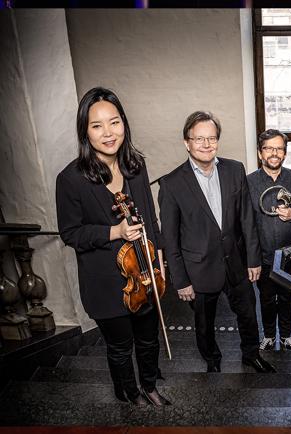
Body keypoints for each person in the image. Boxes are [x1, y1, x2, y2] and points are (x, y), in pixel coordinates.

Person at [56, 87, 171, 406]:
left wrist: (158, 259)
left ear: (124, 124)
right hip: (105, 282)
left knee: (149, 340)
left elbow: (150, 215)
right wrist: (115, 231)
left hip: (144, 273)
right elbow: (70, 233)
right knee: (120, 347)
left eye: (114, 122)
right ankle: (128, 392)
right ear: (85, 131)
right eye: (97, 125)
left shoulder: (136, 166)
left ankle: (149, 385)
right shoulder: (71, 179)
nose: (108, 132)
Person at [158, 111, 275, 373]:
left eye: (212, 138)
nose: (207, 144)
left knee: (247, 313)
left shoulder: (235, 170)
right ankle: (212, 361)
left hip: (236, 262)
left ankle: (251, 354)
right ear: (186, 142)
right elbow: (170, 239)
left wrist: (253, 259)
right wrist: (181, 281)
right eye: (199, 139)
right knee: (204, 323)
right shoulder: (172, 184)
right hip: (198, 270)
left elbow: (247, 219)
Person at [247, 129, 291, 351]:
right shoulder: (248, 183)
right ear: (260, 153)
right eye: (268, 148)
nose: (274, 153)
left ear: (285, 153)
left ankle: (285, 336)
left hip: (290, 256)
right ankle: (268, 336)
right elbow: (244, 225)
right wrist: (251, 260)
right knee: (266, 299)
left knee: (287, 298)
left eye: (279, 149)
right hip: (263, 257)